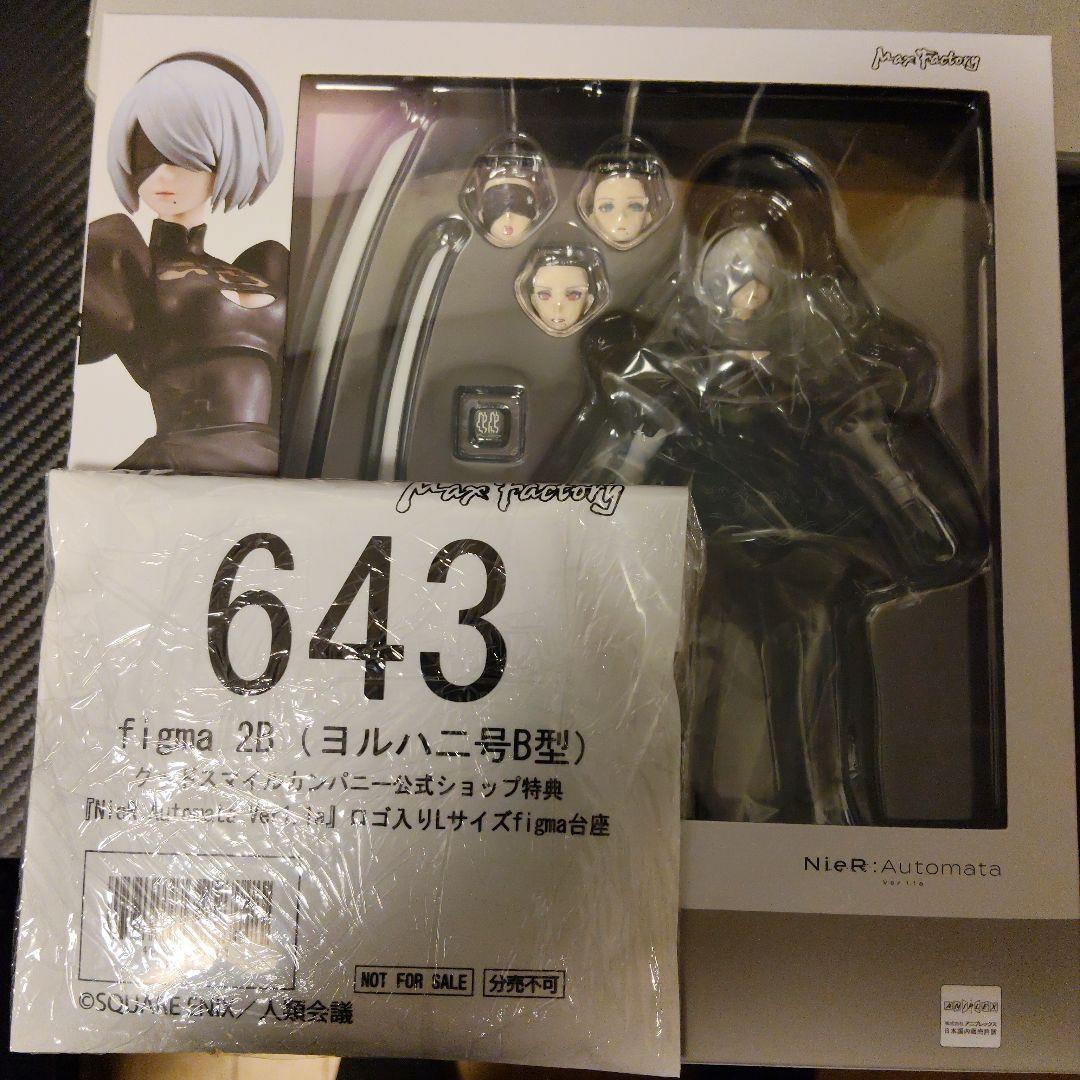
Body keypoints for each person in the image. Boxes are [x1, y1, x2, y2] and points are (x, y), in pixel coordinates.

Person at [549, 142, 988, 824]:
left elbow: (939, 545)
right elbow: (581, 518)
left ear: (794, 277)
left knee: (811, 724)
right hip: (704, 580)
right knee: (699, 721)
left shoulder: (832, 384)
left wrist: (869, 446)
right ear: (698, 274)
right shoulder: (662, 381)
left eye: (760, 274)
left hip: (811, 585)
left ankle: (815, 818)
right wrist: (642, 436)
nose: (744, 293)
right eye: (728, 272)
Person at [81, 51, 288, 475]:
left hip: (273, 462)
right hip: (184, 464)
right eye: (145, 158)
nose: (161, 177)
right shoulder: (125, 257)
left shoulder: (267, 263)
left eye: (182, 156)